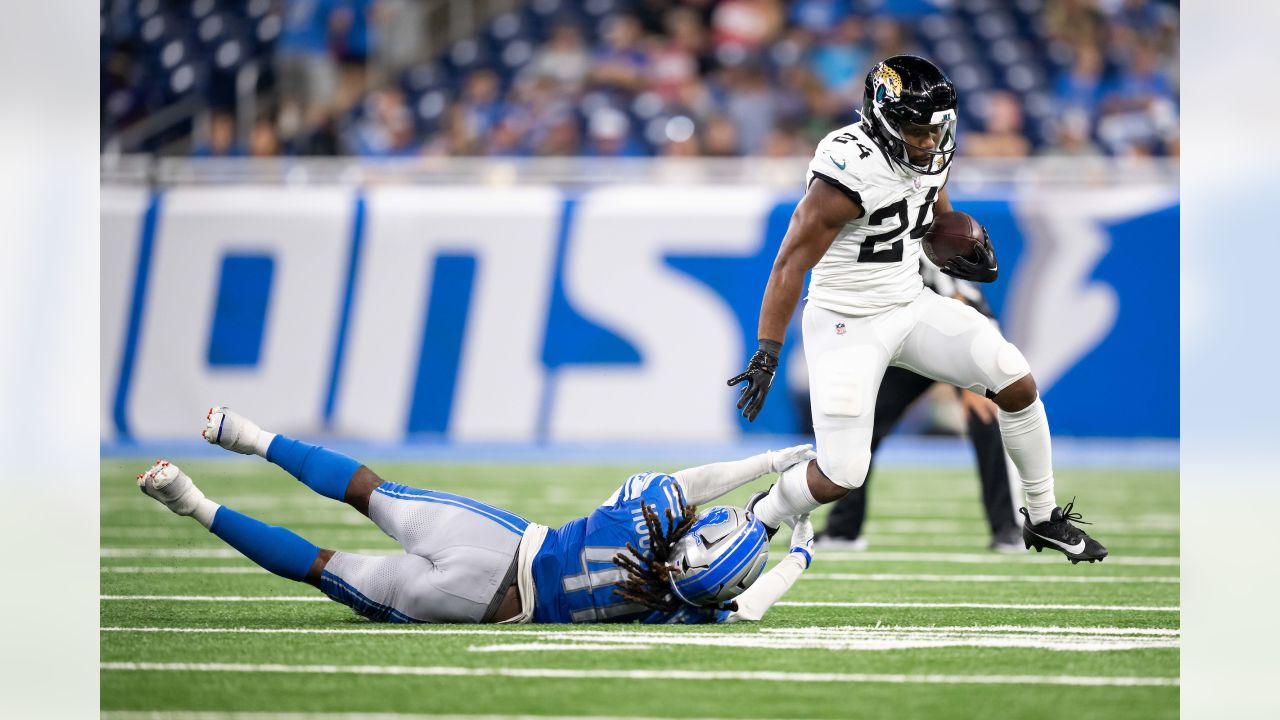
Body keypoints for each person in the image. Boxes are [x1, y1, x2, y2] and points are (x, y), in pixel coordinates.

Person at [727, 55, 1108, 564]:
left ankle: (1041, 516)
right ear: (882, 119)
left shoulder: (928, 154)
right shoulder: (844, 174)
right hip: (847, 321)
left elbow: (933, 213)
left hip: (909, 302)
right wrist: (767, 352)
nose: (930, 142)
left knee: (1015, 379)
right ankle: (763, 515)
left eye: (935, 130)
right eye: (916, 130)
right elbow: (788, 266)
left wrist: (955, 252)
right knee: (842, 473)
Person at [136, 407, 817, 624]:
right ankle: (191, 503)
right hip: (480, 606)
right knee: (322, 567)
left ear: (698, 535)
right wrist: (801, 558)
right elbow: (751, 608)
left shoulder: (644, 518)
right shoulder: (682, 609)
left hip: (501, 543)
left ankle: (246, 437)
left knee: (368, 490)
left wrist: (766, 463)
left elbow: (692, 479)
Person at [814, 261, 1023, 553]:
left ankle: (1010, 529)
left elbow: (959, 296)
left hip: (959, 335)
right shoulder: (859, 249)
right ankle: (843, 529)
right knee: (863, 420)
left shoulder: (913, 236)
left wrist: (976, 368)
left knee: (985, 417)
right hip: (908, 339)